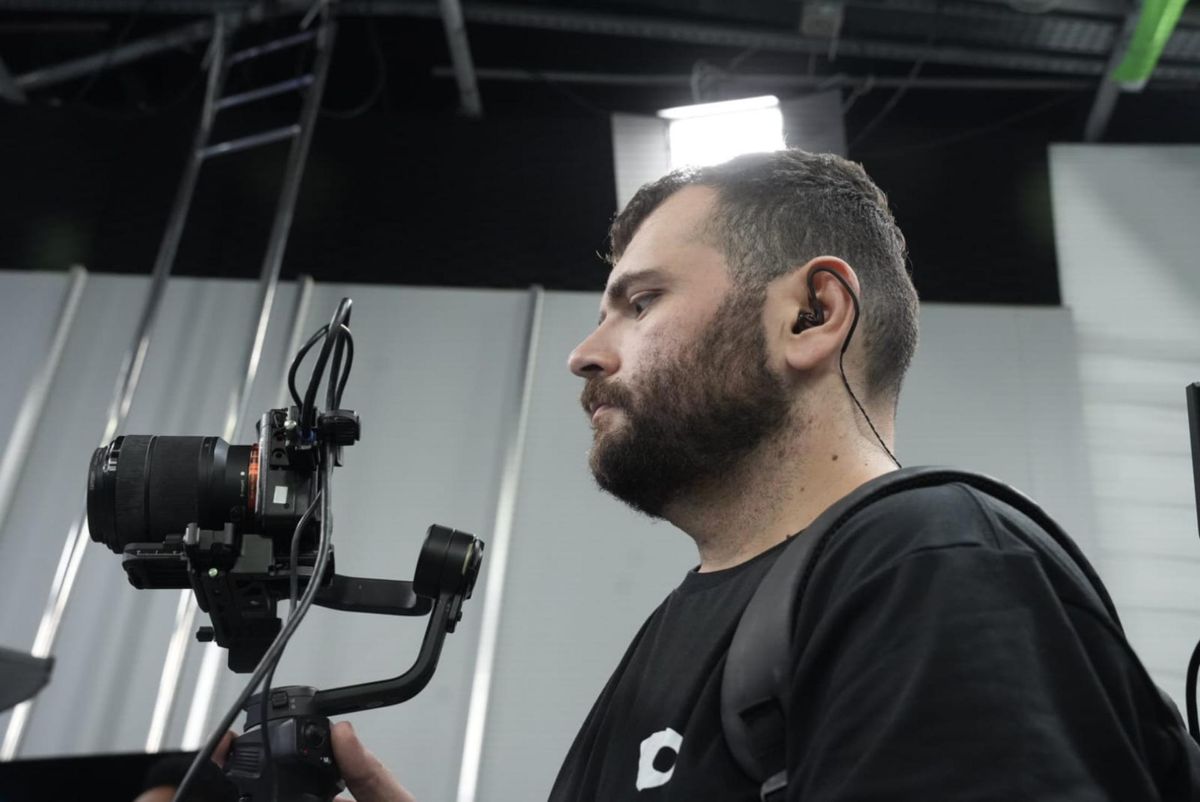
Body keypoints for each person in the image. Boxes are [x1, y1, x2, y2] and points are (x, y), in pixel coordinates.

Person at [329, 149, 1197, 800]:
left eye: (641, 303)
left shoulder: (927, 563)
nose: (584, 356)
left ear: (813, 315)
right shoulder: (687, 627)